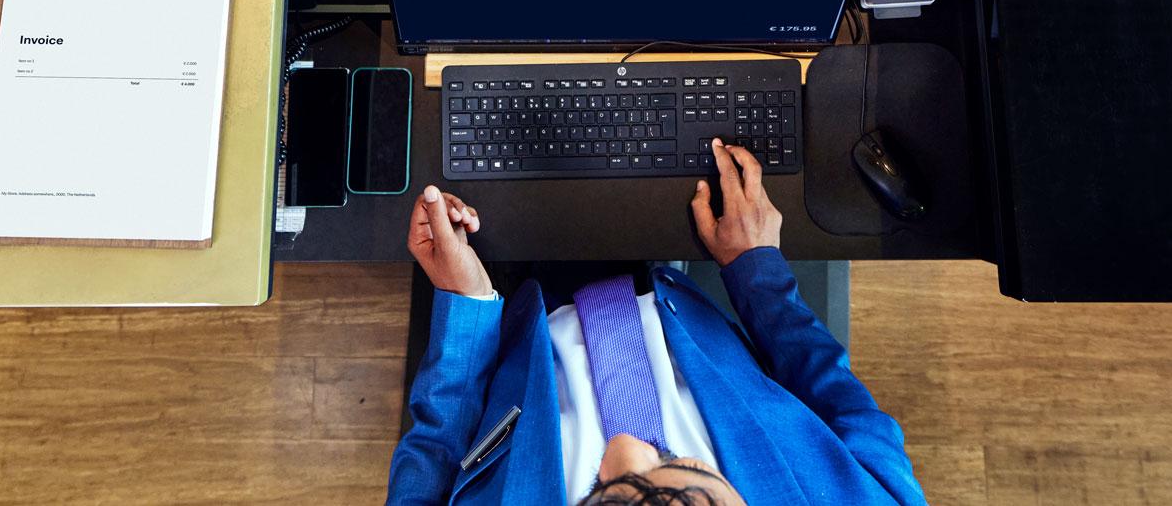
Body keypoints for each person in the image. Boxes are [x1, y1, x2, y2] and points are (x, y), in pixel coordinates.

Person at [387, 138, 930, 505]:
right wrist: (755, 267)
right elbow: (849, 410)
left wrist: (468, 302)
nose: (624, 443)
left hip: (520, 326)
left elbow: (437, 452)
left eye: (600, 494)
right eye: (676, 460)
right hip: (679, 307)